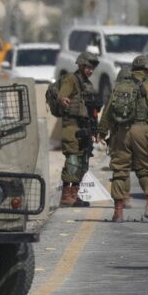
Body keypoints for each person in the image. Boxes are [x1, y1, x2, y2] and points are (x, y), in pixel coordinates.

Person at [98, 55, 148, 222]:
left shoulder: (120, 86)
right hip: (143, 131)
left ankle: (118, 212)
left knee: (120, 170)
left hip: (121, 133)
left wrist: (101, 132)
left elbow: (107, 112)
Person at [58, 51, 100, 207]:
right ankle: (66, 195)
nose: (90, 70)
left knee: (83, 162)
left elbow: (93, 109)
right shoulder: (71, 79)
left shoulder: (88, 84)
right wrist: (63, 99)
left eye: (92, 68)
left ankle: (74, 195)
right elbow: (63, 95)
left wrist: (95, 130)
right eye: (88, 67)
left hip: (85, 127)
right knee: (72, 161)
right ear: (81, 65)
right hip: (72, 126)